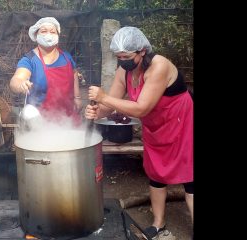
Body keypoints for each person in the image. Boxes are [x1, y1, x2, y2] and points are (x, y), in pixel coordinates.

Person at [84, 26, 193, 239]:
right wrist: (96, 111)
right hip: (154, 126)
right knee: (156, 173)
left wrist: (103, 97)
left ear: (142, 51)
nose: (122, 60)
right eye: (118, 56)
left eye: (126, 56)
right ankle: (158, 224)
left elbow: (142, 107)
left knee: (191, 177)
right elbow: (110, 105)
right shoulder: (124, 71)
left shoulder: (158, 66)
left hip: (182, 122)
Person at [10, 17, 82, 125]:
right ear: (36, 35)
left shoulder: (66, 57)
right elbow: (17, 79)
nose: (49, 34)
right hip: (40, 122)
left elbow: (74, 73)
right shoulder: (29, 60)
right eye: (44, 31)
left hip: (67, 117)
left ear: (58, 35)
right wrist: (21, 84)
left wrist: (77, 97)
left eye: (53, 32)